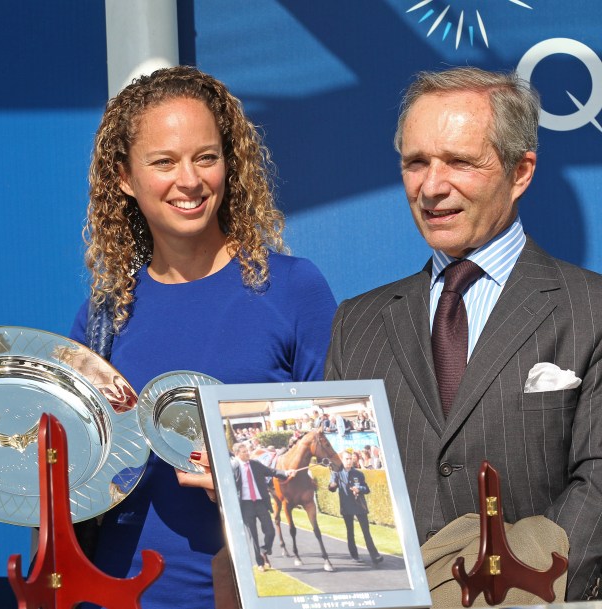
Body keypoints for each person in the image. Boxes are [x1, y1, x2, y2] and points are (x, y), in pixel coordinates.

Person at [325, 66, 602, 600]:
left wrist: (521, 589)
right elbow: (340, 481)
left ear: (521, 172)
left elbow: (598, 481)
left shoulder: (591, 310)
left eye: (459, 162)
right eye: (416, 163)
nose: (432, 186)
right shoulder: (356, 323)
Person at [67, 65, 337, 609]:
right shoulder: (103, 315)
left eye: (206, 157)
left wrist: (247, 475)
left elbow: (342, 462)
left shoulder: (293, 289)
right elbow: (70, 479)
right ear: (124, 178)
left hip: (265, 594)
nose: (188, 180)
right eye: (163, 161)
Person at [231, 443, 292, 572]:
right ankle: (260, 563)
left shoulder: (255, 464)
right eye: (243, 452)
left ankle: (264, 551)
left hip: (260, 503)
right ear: (237, 454)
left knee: (270, 531)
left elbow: (272, 471)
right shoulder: (233, 467)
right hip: (246, 505)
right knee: (253, 536)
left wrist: (286, 472)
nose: (247, 453)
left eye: (247, 450)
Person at [328, 451, 383, 565]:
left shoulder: (358, 473)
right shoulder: (336, 473)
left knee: (366, 532)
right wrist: (332, 485)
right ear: (341, 460)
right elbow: (332, 487)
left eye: (350, 459)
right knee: (350, 532)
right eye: (347, 459)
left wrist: (359, 489)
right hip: (346, 506)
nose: (349, 461)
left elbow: (366, 489)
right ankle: (354, 556)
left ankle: (375, 555)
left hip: (359, 506)